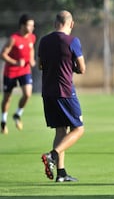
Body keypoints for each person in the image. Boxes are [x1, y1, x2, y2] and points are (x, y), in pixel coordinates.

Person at [38, 10, 86, 182]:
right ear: (71, 24)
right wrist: (69, 65)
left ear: (55, 23)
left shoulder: (43, 41)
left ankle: (61, 173)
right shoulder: (73, 41)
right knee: (79, 129)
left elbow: (40, 66)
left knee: (61, 130)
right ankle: (52, 155)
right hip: (65, 92)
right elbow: (82, 69)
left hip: (47, 92)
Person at [0, 14, 36, 134]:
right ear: (22, 25)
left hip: (25, 70)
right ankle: (3, 121)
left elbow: (31, 49)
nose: (32, 27)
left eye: (33, 25)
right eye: (29, 25)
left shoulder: (32, 37)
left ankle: (17, 114)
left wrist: (31, 59)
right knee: (7, 98)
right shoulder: (13, 38)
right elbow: (3, 54)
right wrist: (15, 62)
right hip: (10, 72)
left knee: (27, 94)